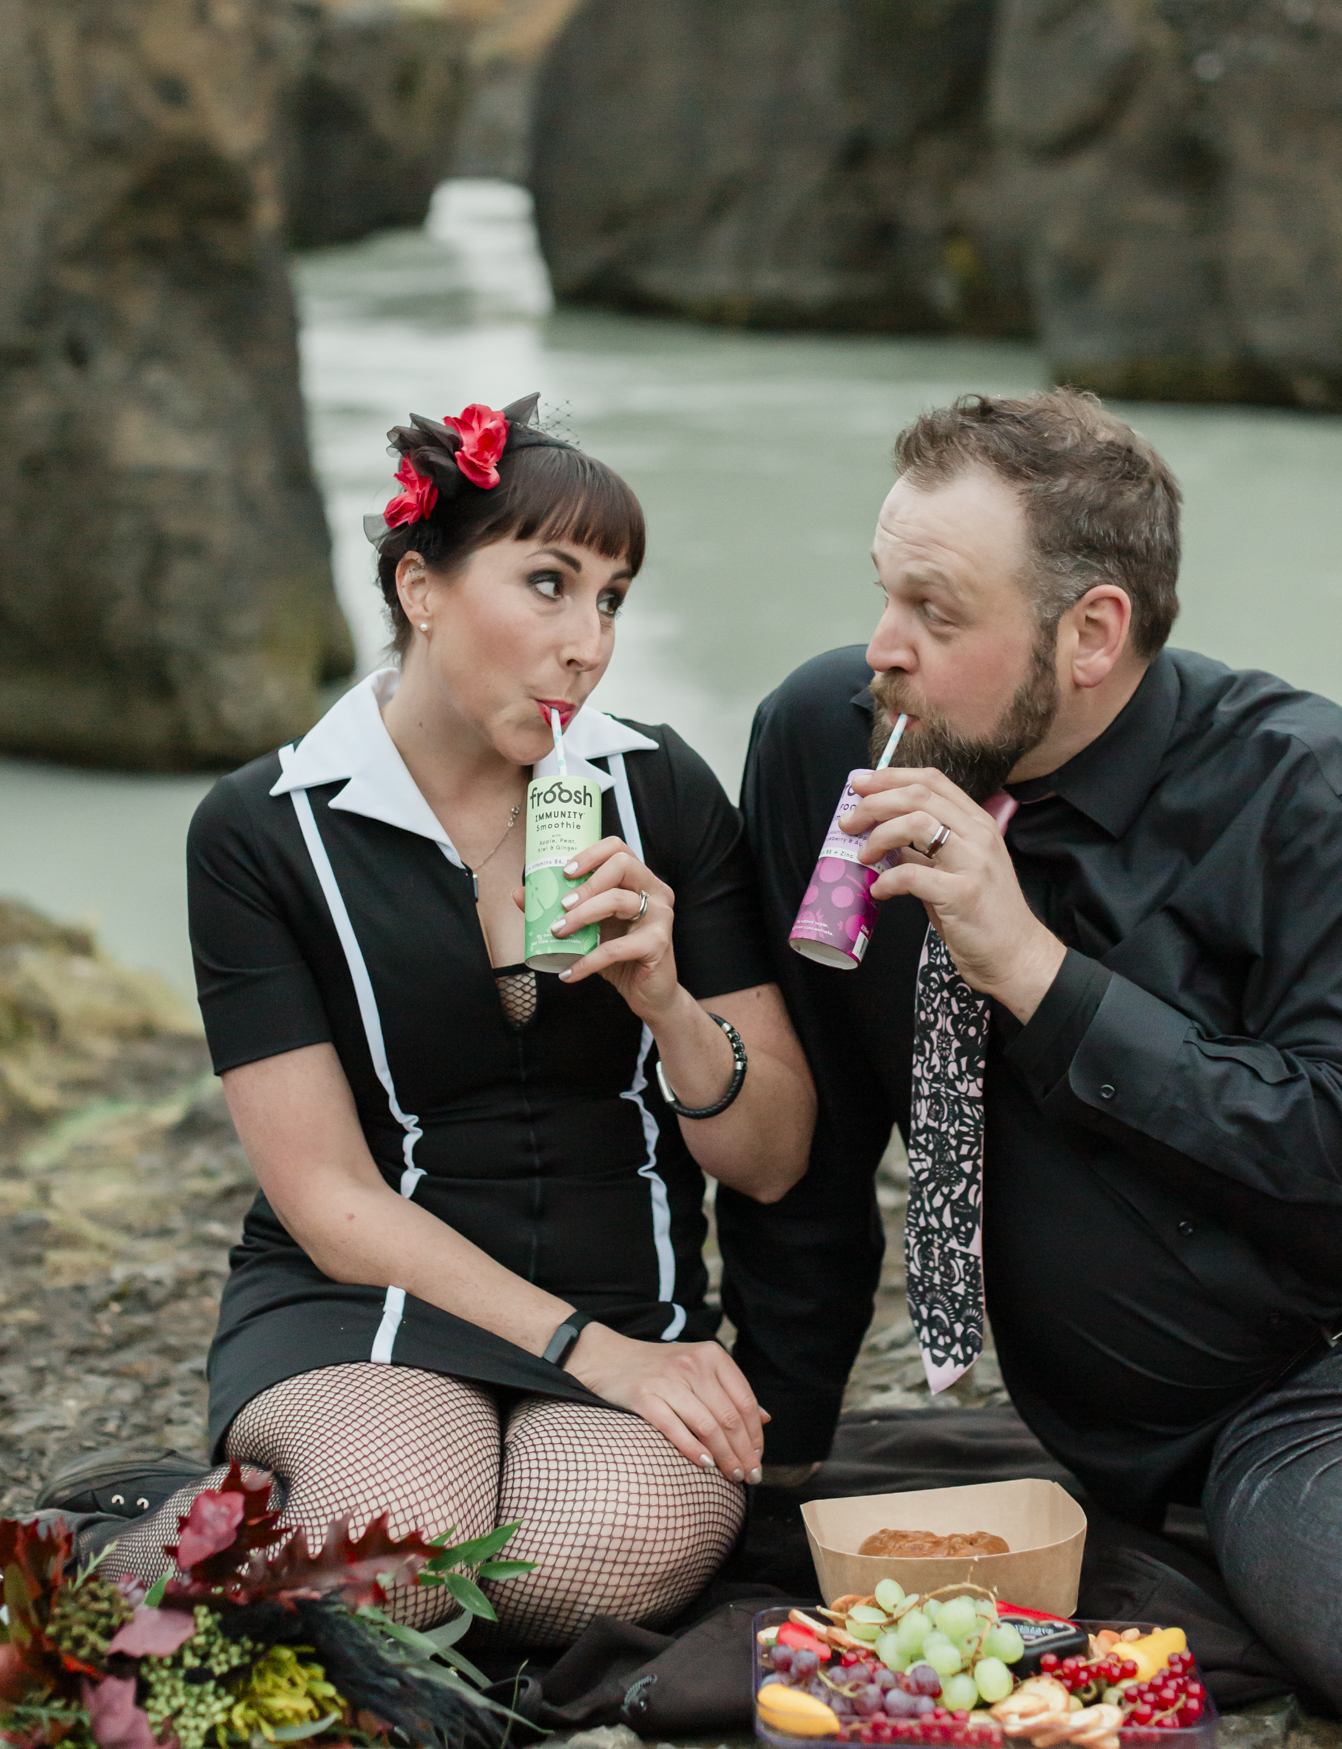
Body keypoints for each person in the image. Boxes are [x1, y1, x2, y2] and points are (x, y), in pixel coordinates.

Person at [717, 390, 1342, 1740]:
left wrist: (1038, 976)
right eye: (884, 593)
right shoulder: (834, 739)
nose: (883, 648)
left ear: (1093, 633)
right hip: (1292, 1422)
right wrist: (781, 1462)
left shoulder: (1312, 788)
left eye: (936, 614)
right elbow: (817, 1145)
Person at [41, 395, 815, 1649]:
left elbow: (771, 1158)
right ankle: (139, 1531)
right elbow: (327, 1199)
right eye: (549, 584)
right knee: (392, 1563)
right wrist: (588, 1354)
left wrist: (668, 1005)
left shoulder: (657, 790)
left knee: (592, 1565)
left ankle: (321, 1543)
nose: (588, 645)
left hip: (630, 1296)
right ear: (421, 588)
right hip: (366, 1303)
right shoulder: (263, 833)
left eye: (613, 599)